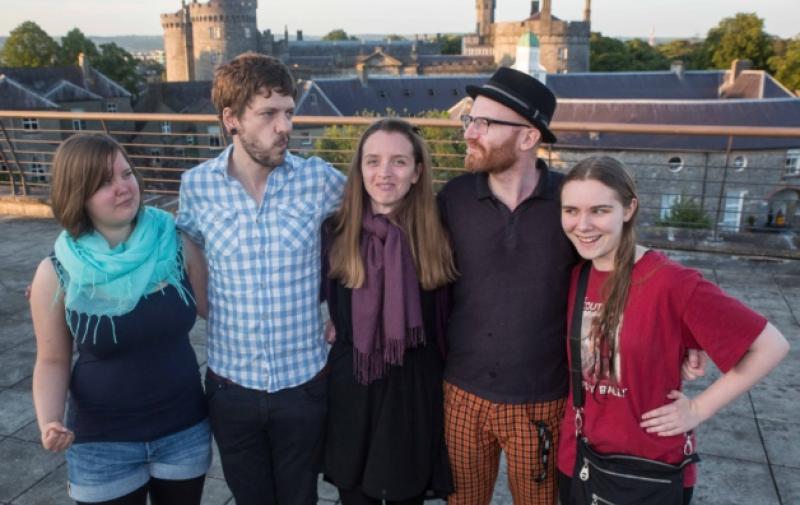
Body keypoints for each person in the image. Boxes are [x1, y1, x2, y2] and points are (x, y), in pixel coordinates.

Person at [556, 156, 790, 504]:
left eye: (600, 210)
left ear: (629, 208)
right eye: (571, 210)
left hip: (648, 469)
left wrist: (699, 408)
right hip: (578, 457)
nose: (583, 224)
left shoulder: (672, 282)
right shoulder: (577, 275)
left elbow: (771, 345)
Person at [176, 52, 346, 505]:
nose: (284, 126)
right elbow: (178, 242)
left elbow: (379, 224)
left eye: (289, 112)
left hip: (304, 385)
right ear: (232, 119)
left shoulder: (320, 180)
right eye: (269, 114)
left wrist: (349, 308)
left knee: (299, 498)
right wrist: (68, 276)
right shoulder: (196, 186)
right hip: (231, 387)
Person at [29, 133, 211, 505]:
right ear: (77, 194)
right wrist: (49, 420)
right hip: (101, 444)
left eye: (126, 174)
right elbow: (51, 360)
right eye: (104, 183)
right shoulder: (57, 271)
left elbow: (221, 310)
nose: (123, 188)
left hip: (184, 431)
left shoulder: (177, 245)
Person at [436, 67, 577, 505]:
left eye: (484, 123)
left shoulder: (573, 202)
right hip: (461, 394)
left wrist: (676, 335)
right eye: (469, 120)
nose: (469, 133)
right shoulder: (453, 198)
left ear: (528, 136)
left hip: (541, 402)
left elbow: (619, 268)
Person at [322, 119, 457, 505]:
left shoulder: (440, 233)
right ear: (359, 169)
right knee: (354, 495)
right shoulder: (335, 230)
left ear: (417, 172)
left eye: (398, 162)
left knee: (405, 495)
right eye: (373, 161)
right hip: (354, 382)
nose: (384, 173)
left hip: (413, 388)